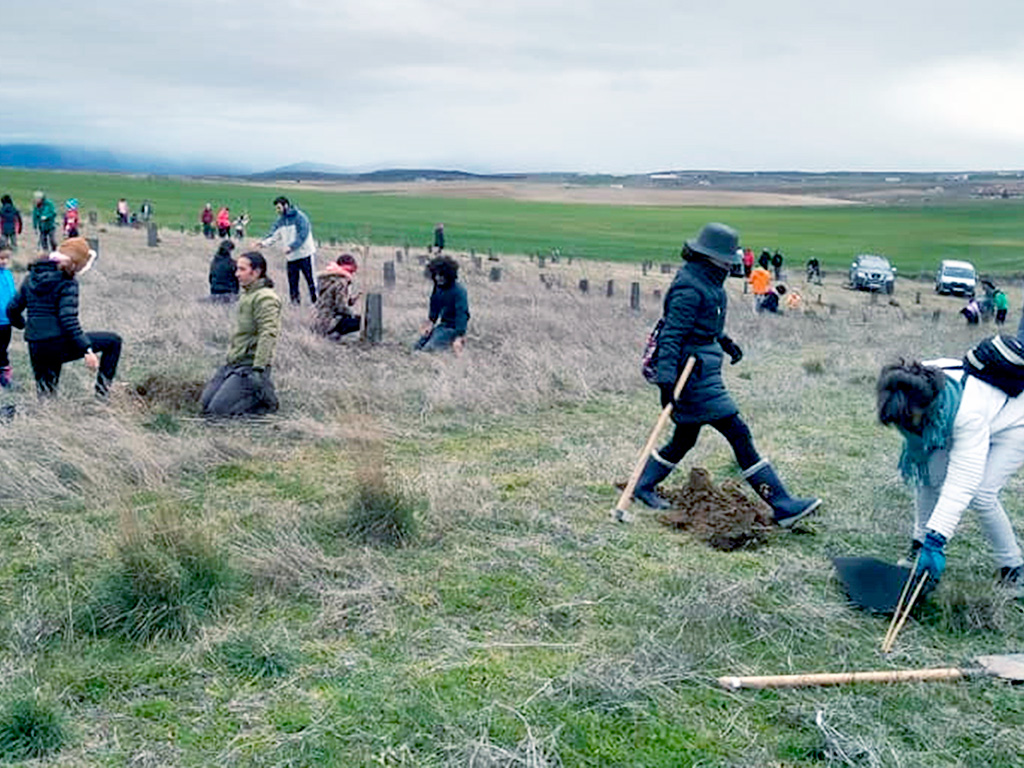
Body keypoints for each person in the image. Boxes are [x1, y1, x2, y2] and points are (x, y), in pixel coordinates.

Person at [631, 222, 821, 527]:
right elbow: (672, 334)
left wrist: (725, 342)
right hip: (689, 375)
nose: (732, 264)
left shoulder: (709, 283)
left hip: (704, 368)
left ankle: (642, 486)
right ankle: (783, 504)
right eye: (727, 258)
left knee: (684, 438)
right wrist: (666, 379)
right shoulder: (690, 287)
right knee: (738, 432)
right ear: (710, 256)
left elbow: (705, 327)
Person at [877, 358, 1024, 594]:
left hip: (1015, 424)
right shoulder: (910, 385)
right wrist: (925, 539)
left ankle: (1013, 568)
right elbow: (929, 476)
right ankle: (919, 544)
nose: (905, 427)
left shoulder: (966, 412)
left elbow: (962, 482)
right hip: (970, 416)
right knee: (927, 474)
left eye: (908, 420)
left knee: (981, 494)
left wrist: (937, 539)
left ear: (927, 407)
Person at [5, 237, 121, 398]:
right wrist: (86, 349)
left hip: (35, 345)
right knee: (113, 341)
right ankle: (102, 395)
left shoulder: (31, 277)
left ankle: (41, 421)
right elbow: (68, 319)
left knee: (46, 397)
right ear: (76, 263)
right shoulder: (67, 281)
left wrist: (24, 325)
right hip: (57, 343)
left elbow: (12, 309)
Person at [200, 252, 282, 416]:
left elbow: (268, 334)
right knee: (205, 404)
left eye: (242, 269)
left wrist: (258, 369)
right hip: (234, 363)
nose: (237, 274)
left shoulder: (266, 298)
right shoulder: (247, 294)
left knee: (219, 411)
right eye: (237, 269)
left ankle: (263, 398)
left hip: (250, 366)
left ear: (256, 272)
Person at [256, 196, 317, 305]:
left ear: (286, 206)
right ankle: (295, 305)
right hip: (291, 257)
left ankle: (316, 303)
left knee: (311, 281)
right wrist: (262, 243)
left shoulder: (300, 217)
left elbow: (303, 234)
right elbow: (273, 235)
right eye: (276, 208)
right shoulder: (280, 221)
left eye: (279, 208)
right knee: (293, 283)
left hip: (305, 255)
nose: (277, 210)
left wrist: (292, 247)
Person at [415, 255, 469, 353]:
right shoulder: (438, 288)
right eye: (436, 275)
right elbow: (434, 306)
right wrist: (431, 322)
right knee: (417, 346)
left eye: (441, 275)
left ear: (449, 275)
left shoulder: (459, 291)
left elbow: (462, 314)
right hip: (442, 326)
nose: (438, 278)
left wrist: (459, 336)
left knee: (428, 349)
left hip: (453, 329)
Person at [312, 253, 362, 338]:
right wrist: (352, 314)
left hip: (318, 320)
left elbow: (331, 300)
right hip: (329, 321)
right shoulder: (341, 282)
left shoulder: (328, 279)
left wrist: (352, 300)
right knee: (361, 321)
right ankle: (334, 335)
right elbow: (341, 306)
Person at [0, 249, 16, 388]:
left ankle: (4, 372)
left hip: (7, 321)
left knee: (4, 347)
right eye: (1, 258)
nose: (4, 261)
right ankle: (4, 373)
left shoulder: (8, 274)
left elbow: (13, 295)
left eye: (6, 258)